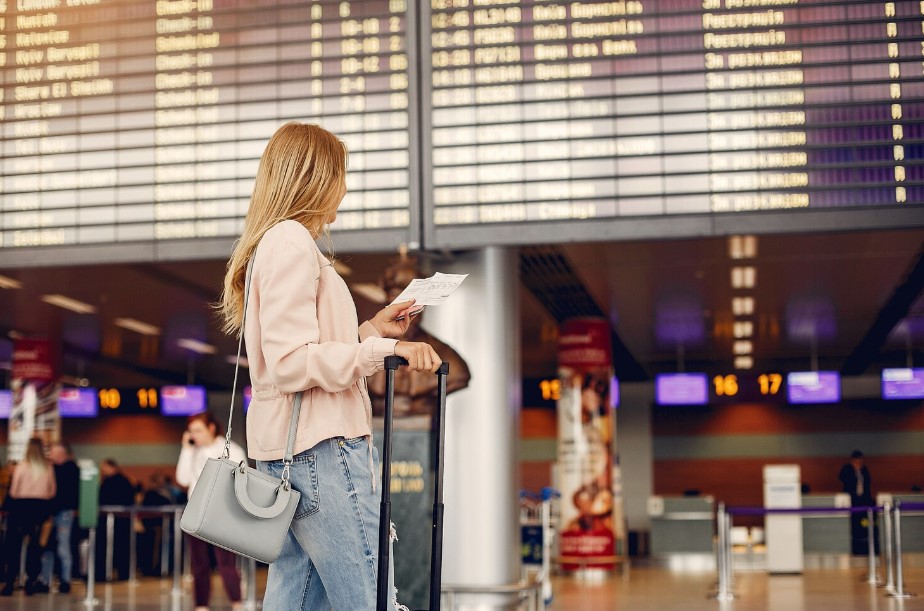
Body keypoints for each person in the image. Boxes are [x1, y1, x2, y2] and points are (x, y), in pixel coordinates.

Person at [219, 122, 442, 611]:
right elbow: (290, 363)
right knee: (370, 599)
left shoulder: (275, 245)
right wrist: (383, 353)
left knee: (296, 601)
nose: (345, 186)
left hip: (290, 456)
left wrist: (371, 332)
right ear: (315, 177)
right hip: (324, 452)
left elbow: (303, 353)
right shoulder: (293, 243)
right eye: (340, 174)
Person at [367, 251, 470, 419]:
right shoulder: (368, 347)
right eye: (396, 302)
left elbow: (459, 377)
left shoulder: (445, 354)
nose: (405, 314)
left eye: (413, 306)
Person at [175, 412, 246, 611]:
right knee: (199, 564)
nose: (194, 435)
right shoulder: (193, 451)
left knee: (226, 563)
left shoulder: (231, 449)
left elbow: (242, 479)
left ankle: (236, 602)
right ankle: (201, 605)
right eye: (191, 431)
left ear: (211, 428)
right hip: (196, 512)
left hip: (222, 514)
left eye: (198, 430)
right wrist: (186, 450)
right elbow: (182, 479)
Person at [0, 438, 56, 596]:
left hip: (20, 507)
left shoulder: (21, 467)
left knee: (13, 546)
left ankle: (10, 582)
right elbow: (52, 491)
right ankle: (31, 581)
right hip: (40, 508)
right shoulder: (47, 467)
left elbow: (14, 492)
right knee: (35, 547)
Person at [38, 441, 79, 594]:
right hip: (55, 513)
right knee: (49, 547)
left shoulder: (69, 469)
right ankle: (46, 579)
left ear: (61, 454)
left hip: (62, 512)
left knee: (62, 546)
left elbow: (62, 493)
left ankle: (64, 579)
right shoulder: (55, 469)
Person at [95, 459, 135, 581]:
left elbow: (102, 499)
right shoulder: (125, 481)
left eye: (104, 468)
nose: (102, 471)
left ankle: (102, 574)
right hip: (123, 521)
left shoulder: (108, 482)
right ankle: (123, 573)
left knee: (105, 547)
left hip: (110, 520)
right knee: (122, 548)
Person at [839, 449, 876, 554]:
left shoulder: (864, 469)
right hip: (852, 499)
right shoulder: (847, 469)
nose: (859, 462)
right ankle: (854, 540)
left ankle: (863, 541)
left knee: (863, 521)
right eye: (857, 460)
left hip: (863, 499)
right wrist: (854, 471)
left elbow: (868, 483)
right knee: (853, 521)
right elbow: (843, 479)